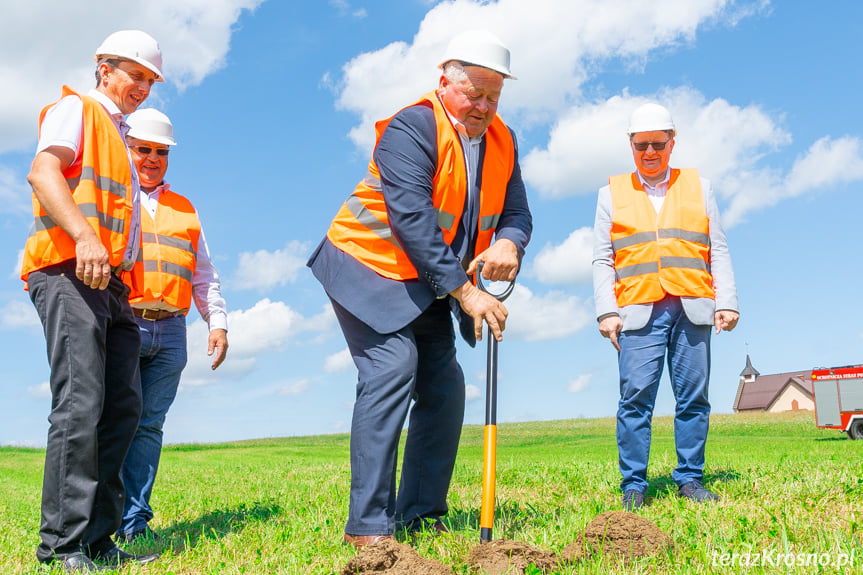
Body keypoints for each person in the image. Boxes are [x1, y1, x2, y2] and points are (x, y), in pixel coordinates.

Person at [308, 30, 532, 548]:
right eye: (473, 92)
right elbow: (411, 220)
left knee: (445, 386)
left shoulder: (504, 140)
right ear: (444, 83)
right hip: (366, 267)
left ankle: (422, 515)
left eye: (493, 96)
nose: (483, 106)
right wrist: (467, 293)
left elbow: (517, 212)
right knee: (392, 368)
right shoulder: (412, 128)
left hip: (425, 282)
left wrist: (510, 244)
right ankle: (367, 529)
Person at [21, 30, 165, 571]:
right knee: (80, 405)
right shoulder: (74, 109)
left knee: (122, 408)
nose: (143, 88)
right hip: (66, 270)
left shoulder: (121, 135)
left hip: (111, 284)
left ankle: (99, 540)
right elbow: (43, 172)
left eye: (150, 80)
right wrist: (85, 237)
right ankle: (62, 546)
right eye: (135, 75)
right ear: (104, 68)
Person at [592, 102, 739, 511]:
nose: (650, 152)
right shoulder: (611, 193)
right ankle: (634, 485)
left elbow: (718, 248)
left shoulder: (700, 187)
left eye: (658, 143)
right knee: (635, 397)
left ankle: (690, 479)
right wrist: (607, 311)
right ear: (631, 144)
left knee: (694, 397)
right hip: (638, 310)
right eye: (641, 145)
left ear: (672, 142)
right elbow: (602, 258)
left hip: (693, 306)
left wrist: (726, 301)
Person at [116, 108, 229, 543]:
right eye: (142, 148)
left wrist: (216, 322)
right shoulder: (115, 197)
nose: (151, 158)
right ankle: (99, 520)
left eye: (160, 152)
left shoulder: (185, 208)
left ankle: (134, 523)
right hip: (124, 321)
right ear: (127, 147)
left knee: (149, 425)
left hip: (172, 329)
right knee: (115, 420)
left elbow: (203, 273)